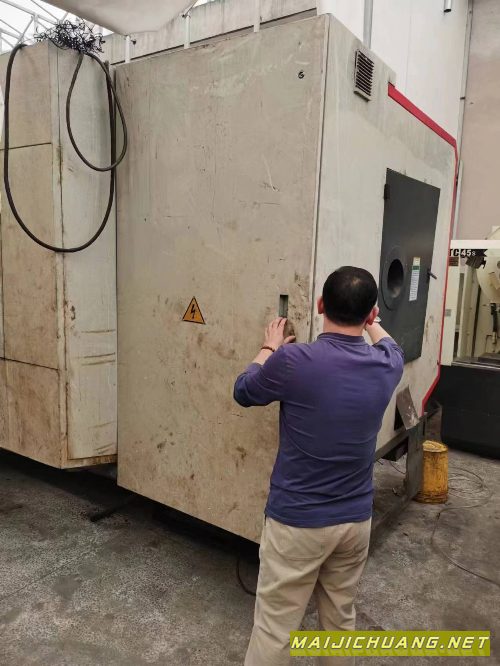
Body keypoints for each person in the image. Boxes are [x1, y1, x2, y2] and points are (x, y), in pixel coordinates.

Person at [233, 266, 404, 666]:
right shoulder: (388, 364)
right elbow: (389, 342)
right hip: (355, 522)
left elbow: (243, 390)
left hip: (297, 523)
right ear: (371, 313)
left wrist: (269, 347)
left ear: (321, 304)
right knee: (340, 622)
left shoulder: (294, 360)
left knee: (275, 630)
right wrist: (371, 322)